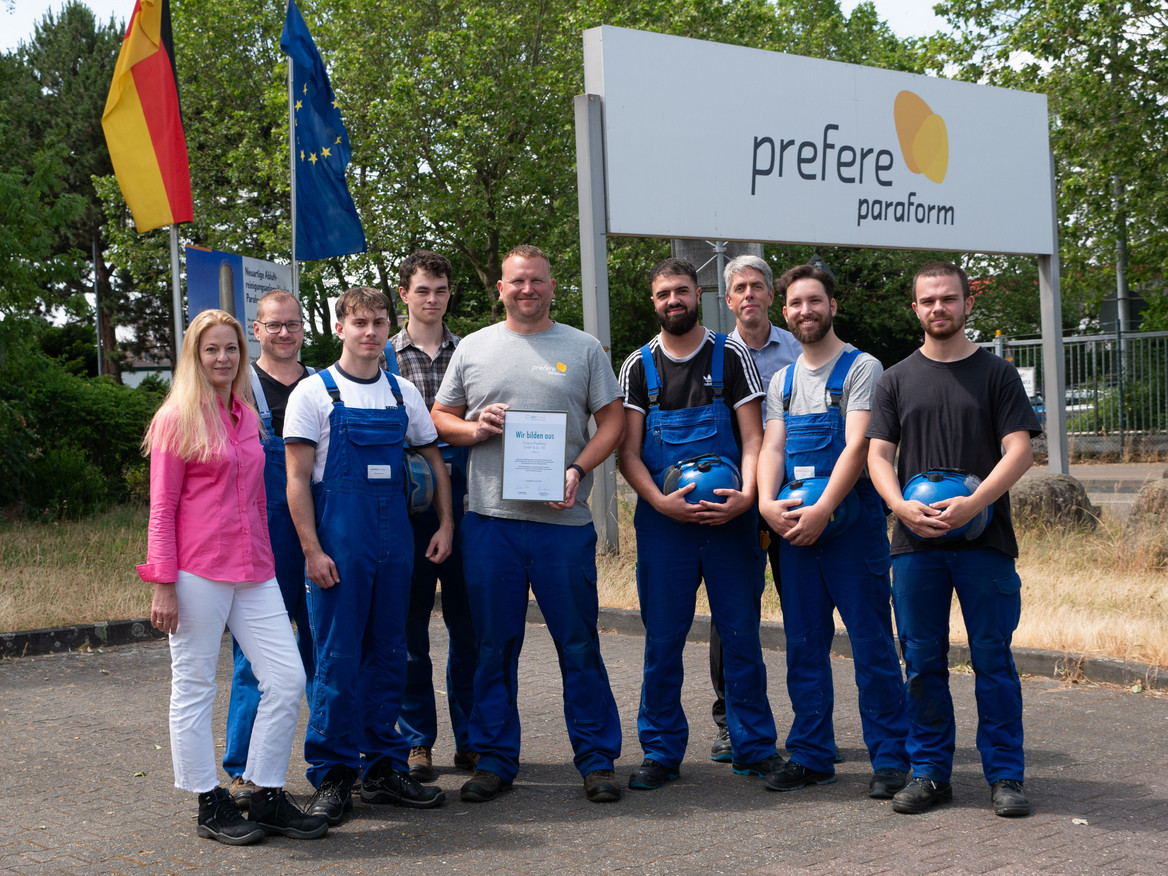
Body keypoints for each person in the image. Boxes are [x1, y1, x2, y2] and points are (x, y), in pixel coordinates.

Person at [431, 244, 625, 804]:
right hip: (491, 521)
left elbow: (611, 423)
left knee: (579, 642)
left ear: (552, 286)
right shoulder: (472, 348)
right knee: (494, 644)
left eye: (537, 281)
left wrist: (578, 467)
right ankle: (493, 758)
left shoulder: (583, 348)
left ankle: (595, 758)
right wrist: (475, 428)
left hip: (563, 522)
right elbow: (441, 419)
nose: (527, 290)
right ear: (500, 288)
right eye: (517, 281)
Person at [139, 308, 327, 845]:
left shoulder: (247, 414)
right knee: (194, 688)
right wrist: (163, 582)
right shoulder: (176, 418)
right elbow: (161, 508)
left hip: (254, 567)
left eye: (230, 349)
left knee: (287, 679)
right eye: (211, 350)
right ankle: (209, 804)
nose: (223, 359)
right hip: (196, 570)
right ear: (195, 358)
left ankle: (266, 794)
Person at [866, 262, 1041, 817]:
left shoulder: (997, 375)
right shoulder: (893, 379)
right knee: (921, 662)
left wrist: (976, 503)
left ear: (968, 304)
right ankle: (929, 773)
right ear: (914, 309)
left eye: (948, 299)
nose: (938, 308)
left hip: (984, 544)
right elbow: (878, 456)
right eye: (928, 300)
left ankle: (1006, 777)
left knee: (993, 659)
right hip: (914, 546)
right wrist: (899, 507)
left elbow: (1020, 450)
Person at [284, 287, 453, 825]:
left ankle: (383, 766)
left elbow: (432, 456)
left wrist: (446, 523)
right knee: (336, 658)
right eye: (359, 322)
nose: (370, 332)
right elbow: (295, 480)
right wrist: (311, 549)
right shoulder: (313, 393)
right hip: (339, 546)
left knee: (390, 655)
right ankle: (333, 773)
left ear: (389, 326)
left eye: (379, 322)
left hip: (395, 545)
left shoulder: (402, 393)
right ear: (340, 328)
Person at [617, 257, 781, 791]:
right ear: (654, 301)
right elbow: (630, 455)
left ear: (698, 294)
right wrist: (658, 504)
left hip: (731, 520)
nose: (673, 302)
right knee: (663, 639)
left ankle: (753, 746)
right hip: (666, 527)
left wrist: (749, 498)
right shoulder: (637, 367)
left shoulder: (731, 356)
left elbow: (754, 440)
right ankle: (661, 752)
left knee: (741, 636)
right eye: (664, 294)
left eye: (682, 292)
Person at [755, 265, 909, 798]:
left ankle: (891, 758)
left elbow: (858, 448)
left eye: (814, 301)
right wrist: (765, 504)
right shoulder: (782, 379)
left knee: (871, 646)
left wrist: (823, 507)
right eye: (795, 303)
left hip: (851, 528)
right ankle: (812, 754)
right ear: (786, 311)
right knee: (803, 646)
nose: (804, 311)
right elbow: (772, 447)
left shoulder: (863, 368)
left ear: (832, 306)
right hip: (797, 529)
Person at [385, 251, 478, 781]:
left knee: (470, 628)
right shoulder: (382, 354)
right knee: (408, 630)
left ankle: (471, 739)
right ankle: (417, 741)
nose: (432, 299)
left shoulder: (472, 352)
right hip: (405, 503)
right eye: (422, 290)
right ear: (405, 294)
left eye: (440, 290)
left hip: (468, 498)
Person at [222, 289, 316, 808]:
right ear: (256, 330)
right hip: (259, 534)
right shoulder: (238, 387)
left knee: (323, 646)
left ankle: (330, 761)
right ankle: (242, 769)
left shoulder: (323, 386)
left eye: (292, 324)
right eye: (273, 325)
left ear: (304, 328)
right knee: (253, 656)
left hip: (318, 531)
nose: (284, 333)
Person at [706, 254, 801, 764]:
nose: (749, 295)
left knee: (802, 609)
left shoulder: (798, 348)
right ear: (728, 300)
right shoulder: (715, 355)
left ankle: (810, 723)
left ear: (771, 296)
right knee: (732, 616)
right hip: (739, 499)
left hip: (794, 499)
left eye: (757, 286)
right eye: (739, 287)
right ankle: (729, 722)